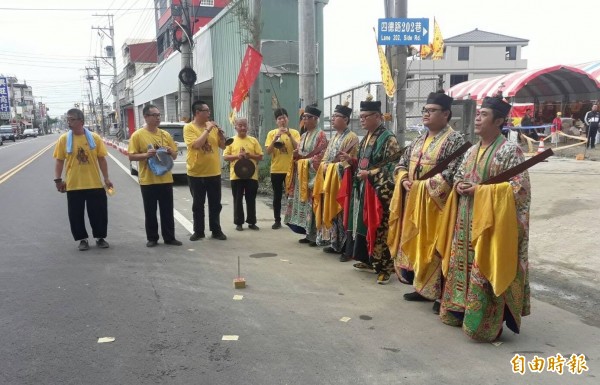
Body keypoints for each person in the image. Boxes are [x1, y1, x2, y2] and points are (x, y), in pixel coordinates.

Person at [438, 96, 531, 342]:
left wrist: (480, 191)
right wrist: (459, 186)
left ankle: (485, 321)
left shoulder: (510, 150)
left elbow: (520, 189)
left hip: (492, 225)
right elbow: (459, 175)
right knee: (462, 264)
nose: (478, 118)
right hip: (466, 219)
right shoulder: (471, 151)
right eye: (477, 114)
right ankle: (459, 310)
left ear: (499, 120)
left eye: (484, 114)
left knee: (485, 265)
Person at [389, 91, 465, 312]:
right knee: (420, 245)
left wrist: (422, 187)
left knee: (438, 248)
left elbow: (453, 173)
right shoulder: (419, 139)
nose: (426, 114)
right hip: (415, 203)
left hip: (438, 207)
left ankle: (441, 294)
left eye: (431, 111)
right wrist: (403, 179)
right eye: (425, 110)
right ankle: (423, 288)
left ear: (446, 114)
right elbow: (401, 163)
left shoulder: (455, 140)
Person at [341, 98, 401, 284]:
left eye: (365, 117)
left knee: (380, 229)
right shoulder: (366, 137)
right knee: (364, 226)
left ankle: (385, 268)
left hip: (379, 192)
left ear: (377, 116)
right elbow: (363, 162)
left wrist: (371, 174)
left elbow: (394, 166)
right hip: (364, 189)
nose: (362, 120)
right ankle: (368, 260)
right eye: (360, 117)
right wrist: (352, 162)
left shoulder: (388, 138)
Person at [53, 108, 112, 251]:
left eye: (72, 119)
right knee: (76, 215)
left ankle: (100, 238)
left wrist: (106, 178)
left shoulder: (95, 138)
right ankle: (82, 240)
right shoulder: (64, 139)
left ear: (81, 121)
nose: (69, 122)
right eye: (68, 119)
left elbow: (102, 159)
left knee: (99, 213)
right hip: (74, 185)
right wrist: (58, 180)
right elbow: (59, 161)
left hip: (95, 184)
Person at [127, 105, 182, 247]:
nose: (158, 117)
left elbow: (175, 156)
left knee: (167, 210)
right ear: (146, 117)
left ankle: (169, 237)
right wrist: (146, 155)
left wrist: (171, 152)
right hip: (148, 180)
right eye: (154, 115)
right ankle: (152, 238)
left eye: (159, 115)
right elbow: (131, 156)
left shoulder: (165, 135)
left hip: (165, 178)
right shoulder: (138, 135)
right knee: (150, 211)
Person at [314, 103, 359, 261]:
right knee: (332, 213)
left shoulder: (351, 138)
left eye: (336, 117)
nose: (332, 119)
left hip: (342, 183)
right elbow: (326, 158)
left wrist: (330, 167)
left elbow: (348, 163)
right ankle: (335, 243)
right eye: (332, 116)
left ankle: (345, 247)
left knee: (342, 214)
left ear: (345, 119)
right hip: (330, 181)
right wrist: (326, 166)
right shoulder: (333, 137)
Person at [284, 104, 328, 245]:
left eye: (308, 118)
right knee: (303, 205)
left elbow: (321, 157)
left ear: (315, 119)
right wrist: (296, 156)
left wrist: (304, 162)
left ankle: (315, 236)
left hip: (312, 177)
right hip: (301, 176)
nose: (305, 120)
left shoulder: (321, 135)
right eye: (304, 117)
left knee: (312, 205)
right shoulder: (303, 135)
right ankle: (307, 234)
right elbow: (300, 153)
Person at [183, 100, 227, 241]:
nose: (209, 113)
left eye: (209, 111)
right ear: (197, 113)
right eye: (206, 111)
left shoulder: (212, 127)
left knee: (215, 204)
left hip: (213, 172)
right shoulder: (189, 128)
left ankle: (216, 230)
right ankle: (198, 231)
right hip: (196, 172)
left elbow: (223, 146)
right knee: (198, 204)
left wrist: (220, 135)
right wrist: (207, 129)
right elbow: (196, 144)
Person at [223, 118, 264, 231]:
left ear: (248, 127)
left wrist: (249, 155)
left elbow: (260, 156)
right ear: (235, 127)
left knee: (251, 199)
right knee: (237, 199)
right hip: (236, 175)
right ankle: (238, 222)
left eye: (245, 125)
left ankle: (252, 222)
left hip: (251, 175)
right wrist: (237, 156)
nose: (243, 128)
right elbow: (226, 157)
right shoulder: (231, 140)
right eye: (240, 125)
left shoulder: (253, 140)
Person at [264, 108, 300, 229]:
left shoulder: (294, 132)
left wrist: (289, 134)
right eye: (279, 118)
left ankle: (291, 220)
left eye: (284, 117)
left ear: (288, 119)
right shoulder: (271, 133)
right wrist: (275, 138)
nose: (282, 120)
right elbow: (268, 152)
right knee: (277, 196)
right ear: (276, 121)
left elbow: (298, 148)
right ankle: (277, 220)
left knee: (291, 196)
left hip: (291, 169)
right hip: (276, 169)